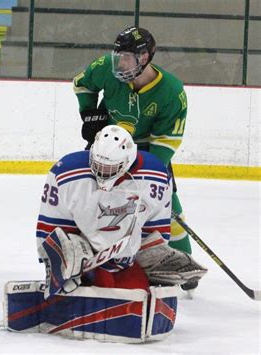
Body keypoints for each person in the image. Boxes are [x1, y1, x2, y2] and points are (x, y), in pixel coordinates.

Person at [72, 26, 196, 290]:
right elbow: (81, 83)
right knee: (89, 198)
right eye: (118, 55)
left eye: (127, 57)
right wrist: (89, 114)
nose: (120, 63)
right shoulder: (106, 67)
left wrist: (147, 171)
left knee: (166, 204)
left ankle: (183, 263)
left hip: (146, 150)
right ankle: (86, 258)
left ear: (144, 58)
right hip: (108, 146)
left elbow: (166, 140)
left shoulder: (171, 91)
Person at [36, 125, 206, 298]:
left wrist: (156, 262)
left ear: (128, 160)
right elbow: (51, 226)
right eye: (98, 165)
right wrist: (58, 262)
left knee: (135, 296)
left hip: (128, 265)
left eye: (110, 167)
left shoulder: (156, 175)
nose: (102, 172)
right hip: (86, 266)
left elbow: (156, 232)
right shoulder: (66, 172)